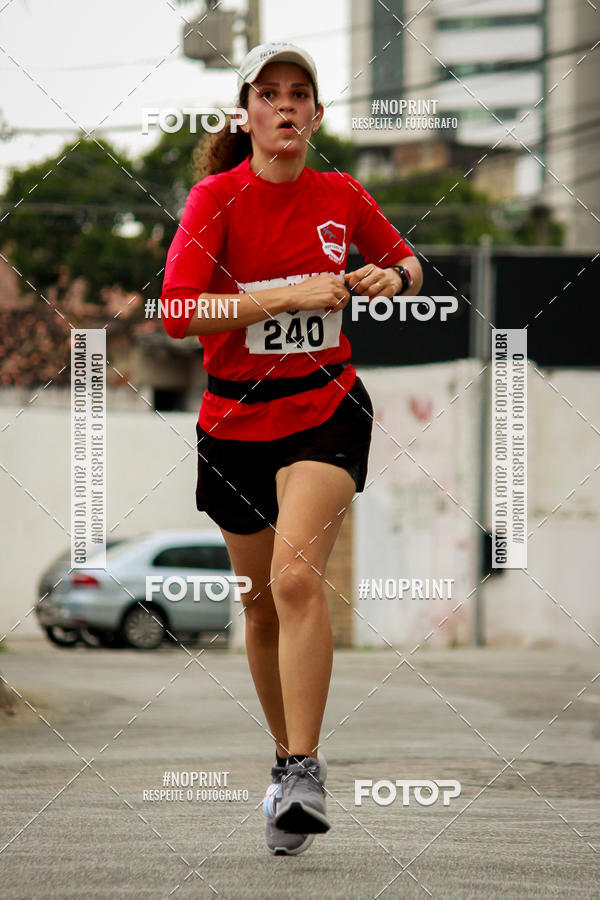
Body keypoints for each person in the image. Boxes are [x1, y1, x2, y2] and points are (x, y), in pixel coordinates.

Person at [160, 41, 423, 855]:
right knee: (258, 603)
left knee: (297, 580)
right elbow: (176, 312)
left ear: (313, 114)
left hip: (325, 409)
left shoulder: (341, 194)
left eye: (298, 94)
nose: (283, 105)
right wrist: (290, 295)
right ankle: (283, 764)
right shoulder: (218, 198)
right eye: (267, 93)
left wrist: (394, 280)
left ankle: (305, 766)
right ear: (246, 115)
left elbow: (409, 262)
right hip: (235, 422)